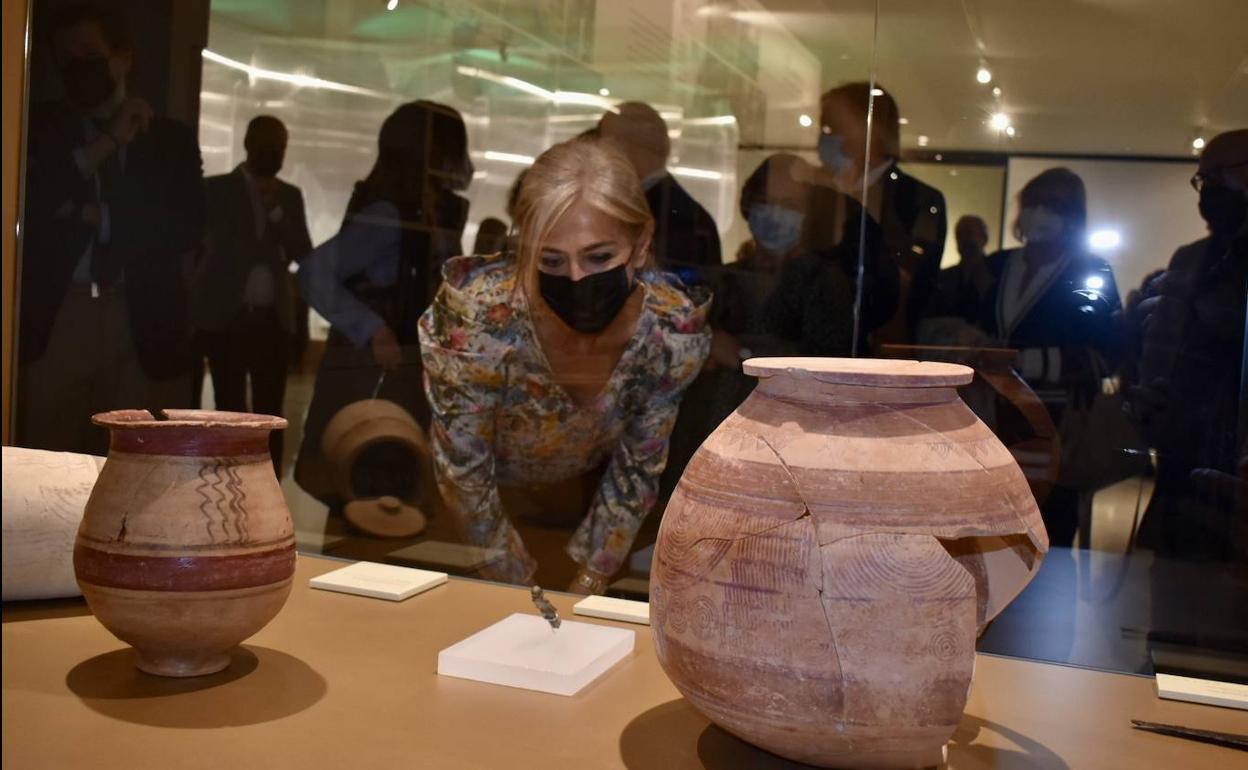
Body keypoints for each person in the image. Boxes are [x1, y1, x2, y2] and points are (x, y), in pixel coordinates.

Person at [419, 136, 711, 593]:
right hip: (465, 524)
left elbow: (637, 466)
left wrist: (590, 580)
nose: (576, 278)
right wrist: (518, 589)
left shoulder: (670, 331)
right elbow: (462, 470)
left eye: (599, 256)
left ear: (639, 245)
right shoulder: (477, 316)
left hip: (579, 509)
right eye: (551, 259)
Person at [17, 2, 203, 455]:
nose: (77, 64)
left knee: (134, 460)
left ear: (122, 57)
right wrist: (108, 142)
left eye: (88, 50)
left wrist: (95, 218)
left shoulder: (169, 141)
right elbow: (32, 205)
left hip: (139, 311)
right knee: (47, 446)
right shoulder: (37, 126)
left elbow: (182, 229)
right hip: (62, 312)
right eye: (66, 56)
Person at [294, 100, 472, 503]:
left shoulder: (425, 212)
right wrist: (372, 329)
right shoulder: (390, 213)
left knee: (392, 490)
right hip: (377, 380)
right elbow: (313, 273)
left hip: (407, 378)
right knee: (364, 488)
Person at [973, 168, 1122, 546]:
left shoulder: (1090, 270)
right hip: (989, 418)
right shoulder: (998, 264)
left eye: (1054, 205)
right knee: (990, 529)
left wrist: (1023, 361)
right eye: (1034, 202)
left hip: (1056, 426)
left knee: (1049, 534)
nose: (1040, 212)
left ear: (1073, 215)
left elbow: (1104, 355)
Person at [1134, 128, 1248, 561]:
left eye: (1220, 175)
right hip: (1185, 448)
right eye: (1203, 180)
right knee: (1172, 595)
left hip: (1237, 461)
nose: (1209, 191)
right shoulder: (1191, 258)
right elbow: (1162, 349)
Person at [193, 116, 312, 474]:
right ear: (248, 143)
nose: (275, 154)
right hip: (226, 316)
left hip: (271, 319)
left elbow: (304, 252)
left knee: (270, 414)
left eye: (280, 147)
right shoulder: (216, 189)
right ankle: (226, 480)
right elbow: (215, 248)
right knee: (228, 408)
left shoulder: (289, 196)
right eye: (268, 145)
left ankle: (268, 488)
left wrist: (275, 213)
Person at [808, 82, 946, 347]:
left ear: (868, 129)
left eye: (833, 127)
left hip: (882, 348)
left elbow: (908, 282)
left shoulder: (919, 199)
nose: (825, 137)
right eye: (823, 129)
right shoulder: (815, 193)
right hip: (813, 341)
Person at [598, 102, 722, 268]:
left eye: (605, 142)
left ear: (625, 144)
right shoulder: (683, 211)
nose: (599, 154)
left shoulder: (677, 220)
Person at [918, 214, 997, 345]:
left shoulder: (997, 274)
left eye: (969, 233)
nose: (965, 240)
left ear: (984, 237)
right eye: (960, 235)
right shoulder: (944, 277)